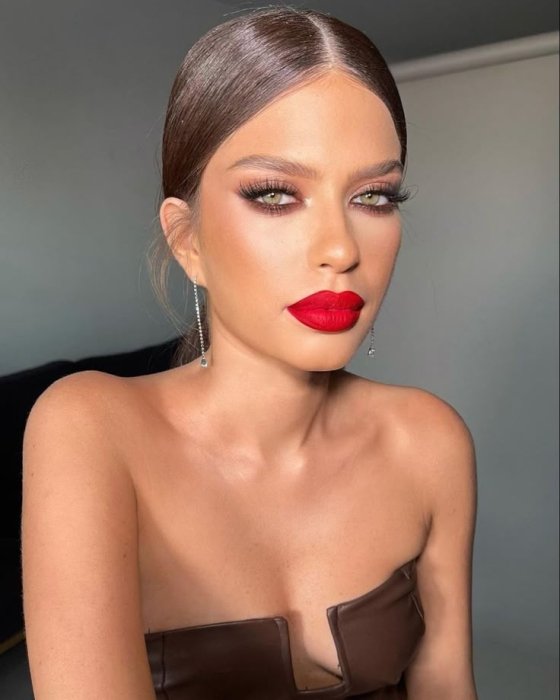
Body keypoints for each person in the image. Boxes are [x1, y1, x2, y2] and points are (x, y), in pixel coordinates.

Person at [21, 6, 478, 699]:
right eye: (275, 195)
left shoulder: (428, 441)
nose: (340, 249)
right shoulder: (90, 428)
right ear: (187, 239)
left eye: (374, 197)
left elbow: (448, 687)